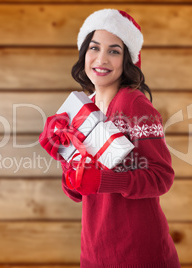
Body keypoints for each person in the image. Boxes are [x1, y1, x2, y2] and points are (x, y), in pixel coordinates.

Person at [39, 9, 181, 267]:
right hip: (94, 251)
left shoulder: (133, 105)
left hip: (138, 253)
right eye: (94, 48)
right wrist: (63, 153)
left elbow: (161, 177)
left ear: (127, 60)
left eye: (114, 51)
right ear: (84, 53)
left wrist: (104, 180)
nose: (101, 59)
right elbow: (77, 193)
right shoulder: (81, 108)